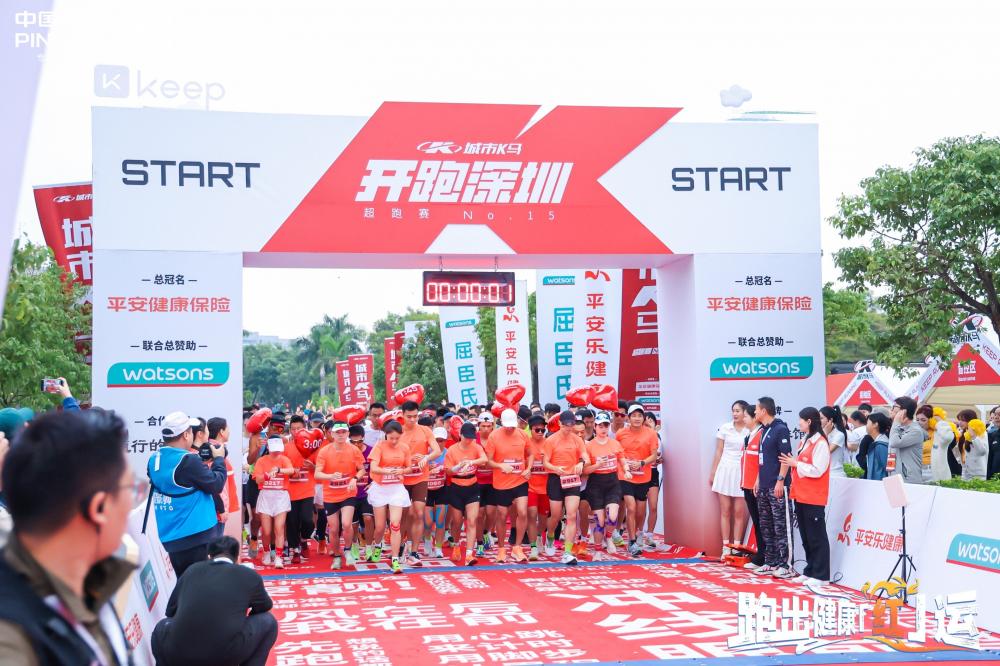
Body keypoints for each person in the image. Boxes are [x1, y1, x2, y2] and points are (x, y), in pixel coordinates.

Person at [0, 410, 139, 666]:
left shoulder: (90, 582)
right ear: (99, 508)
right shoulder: (11, 641)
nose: (133, 501)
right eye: (131, 489)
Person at [151, 536, 276, 666]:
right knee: (268, 621)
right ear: (237, 558)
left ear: (209, 556)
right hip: (225, 654)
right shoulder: (249, 575)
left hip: (180, 652)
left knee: (161, 626)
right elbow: (264, 608)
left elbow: (170, 612)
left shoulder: (191, 570)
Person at [148, 411, 228, 576]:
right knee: (199, 585)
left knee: (185, 582)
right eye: (191, 431)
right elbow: (216, 484)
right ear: (186, 435)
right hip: (196, 535)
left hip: (171, 537)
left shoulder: (154, 459)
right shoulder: (187, 460)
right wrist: (219, 459)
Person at [780, 408, 831, 585]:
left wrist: (795, 463)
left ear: (809, 421)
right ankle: (810, 570)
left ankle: (821, 575)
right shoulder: (804, 440)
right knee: (806, 536)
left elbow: (818, 470)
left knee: (817, 536)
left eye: (801, 420)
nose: (799, 423)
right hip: (800, 495)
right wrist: (794, 463)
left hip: (814, 497)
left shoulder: (821, 443)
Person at [753, 397, 794, 579]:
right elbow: (762, 458)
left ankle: (786, 564)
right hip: (764, 485)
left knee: (781, 526)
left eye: (756, 409)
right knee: (766, 526)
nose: (754, 412)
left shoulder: (780, 428)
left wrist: (780, 480)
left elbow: (785, 457)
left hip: (777, 485)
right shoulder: (764, 430)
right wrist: (758, 480)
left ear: (764, 410)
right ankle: (771, 561)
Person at [314, 421, 365, 568]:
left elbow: (362, 469)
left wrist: (355, 479)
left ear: (348, 433)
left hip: (348, 493)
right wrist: (330, 476)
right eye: (338, 432)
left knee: (347, 523)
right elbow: (317, 474)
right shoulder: (324, 451)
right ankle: (337, 556)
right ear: (332, 434)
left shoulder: (354, 450)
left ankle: (347, 550)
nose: (341, 435)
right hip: (330, 495)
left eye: (344, 432)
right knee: (334, 528)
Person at [485, 409, 532, 563]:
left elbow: (530, 453)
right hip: (501, 483)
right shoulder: (494, 436)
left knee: (522, 512)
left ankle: (517, 547)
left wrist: (528, 468)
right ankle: (501, 549)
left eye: (512, 425)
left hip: (520, 480)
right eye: (507, 426)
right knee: (502, 514)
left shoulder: (522, 434)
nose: (510, 428)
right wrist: (500, 466)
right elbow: (488, 461)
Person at [543, 411, 589, 564]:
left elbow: (586, 457)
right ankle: (550, 535)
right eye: (566, 425)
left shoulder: (577, 440)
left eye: (571, 425)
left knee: (571, 515)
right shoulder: (551, 440)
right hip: (556, 479)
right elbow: (545, 462)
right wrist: (555, 468)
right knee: (556, 516)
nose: (569, 428)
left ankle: (567, 552)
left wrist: (581, 463)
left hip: (572, 480)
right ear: (559, 424)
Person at [398, 400, 441, 567]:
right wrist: (408, 460)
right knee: (402, 515)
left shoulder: (425, 430)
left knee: (418, 512)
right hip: (402, 479)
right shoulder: (397, 431)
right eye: (409, 416)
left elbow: (437, 450)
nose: (412, 420)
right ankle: (401, 545)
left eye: (415, 416)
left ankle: (414, 551)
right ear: (402, 415)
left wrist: (426, 457)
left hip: (420, 478)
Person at [367, 421, 412, 574]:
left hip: (396, 489)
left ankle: (395, 559)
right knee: (380, 527)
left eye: (397, 438)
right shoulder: (379, 446)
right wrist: (387, 471)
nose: (393, 441)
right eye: (391, 438)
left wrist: (402, 471)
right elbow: (373, 468)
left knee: (395, 525)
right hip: (380, 488)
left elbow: (409, 467)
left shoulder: (404, 448)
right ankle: (377, 546)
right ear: (386, 435)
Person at [583, 412, 629, 553]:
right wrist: (597, 465)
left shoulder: (615, 443)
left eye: (606, 426)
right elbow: (585, 471)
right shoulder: (589, 446)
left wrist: (626, 469)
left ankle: (609, 537)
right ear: (595, 427)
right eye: (600, 426)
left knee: (613, 516)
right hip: (595, 483)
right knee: (600, 521)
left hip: (612, 482)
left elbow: (622, 459)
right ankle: (598, 549)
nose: (603, 429)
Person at [616, 404, 658, 557]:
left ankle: (638, 533)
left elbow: (654, 456)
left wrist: (641, 463)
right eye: (634, 415)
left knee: (640, 511)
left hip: (643, 476)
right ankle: (632, 541)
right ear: (628, 417)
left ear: (644, 418)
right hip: (625, 475)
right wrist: (625, 464)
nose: (637, 418)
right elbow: (617, 453)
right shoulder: (621, 433)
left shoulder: (651, 434)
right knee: (631, 508)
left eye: (640, 415)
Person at [445, 422, 488, 566]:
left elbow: (484, 460)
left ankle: (469, 554)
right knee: (457, 522)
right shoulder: (452, 450)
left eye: (471, 437)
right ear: (460, 435)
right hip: (456, 487)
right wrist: (457, 467)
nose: (469, 440)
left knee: (472, 520)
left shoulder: (476, 447)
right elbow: (448, 471)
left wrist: (471, 462)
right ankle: (456, 545)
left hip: (472, 486)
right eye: (466, 437)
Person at [710, 401, 749, 559]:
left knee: (739, 512)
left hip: (742, 471)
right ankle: (726, 548)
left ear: (745, 412)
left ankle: (737, 547)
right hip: (725, 470)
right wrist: (713, 472)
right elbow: (718, 451)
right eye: (733, 410)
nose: (735, 413)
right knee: (725, 511)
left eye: (738, 411)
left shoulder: (751, 429)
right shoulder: (725, 428)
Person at [253, 436, 294, 568]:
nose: (276, 452)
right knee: (266, 531)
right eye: (274, 449)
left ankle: (278, 557)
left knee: (279, 528)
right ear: (268, 448)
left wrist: (279, 470)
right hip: (266, 495)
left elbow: (291, 470)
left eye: (278, 449)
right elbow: (257, 479)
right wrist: (267, 475)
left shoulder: (284, 459)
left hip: (281, 496)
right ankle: (266, 552)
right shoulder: (261, 461)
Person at [739, 405, 766, 569]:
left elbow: (763, 462)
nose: (743, 419)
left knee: (762, 522)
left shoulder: (762, 435)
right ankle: (760, 556)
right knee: (757, 522)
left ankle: (763, 557)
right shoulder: (748, 436)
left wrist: (758, 481)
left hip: (757, 486)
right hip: (747, 485)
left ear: (755, 418)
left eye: (746, 416)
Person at [525, 414, 551, 560]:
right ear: (531, 429)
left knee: (543, 518)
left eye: (543, 430)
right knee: (531, 515)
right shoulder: (526, 444)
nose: (540, 432)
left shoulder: (549, 443)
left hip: (546, 488)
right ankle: (533, 546)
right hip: (530, 487)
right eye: (537, 430)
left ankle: (540, 536)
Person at [889, 397, 924, 484]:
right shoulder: (898, 428)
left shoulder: (915, 430)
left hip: (909, 480)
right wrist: (890, 474)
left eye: (894, 406)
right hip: (895, 478)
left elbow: (894, 443)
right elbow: (891, 453)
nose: (891, 409)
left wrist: (896, 422)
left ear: (904, 411)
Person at [955, 411, 989, 481]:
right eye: (959, 420)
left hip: (979, 475)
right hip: (966, 473)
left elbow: (982, 451)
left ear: (971, 420)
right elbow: (962, 456)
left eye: (963, 420)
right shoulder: (963, 434)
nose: (960, 422)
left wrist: (973, 436)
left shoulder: (981, 432)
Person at [819, 406, 848, 478]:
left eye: (821, 418)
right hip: (823, 473)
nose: (819, 421)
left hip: (835, 473)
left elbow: (826, 452)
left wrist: (825, 434)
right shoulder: (820, 433)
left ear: (830, 420)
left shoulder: (839, 435)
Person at [864, 412, 891, 481]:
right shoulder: (880, 443)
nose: (866, 426)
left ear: (875, 424)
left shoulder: (881, 445)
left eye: (867, 423)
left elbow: (888, 470)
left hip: (880, 483)